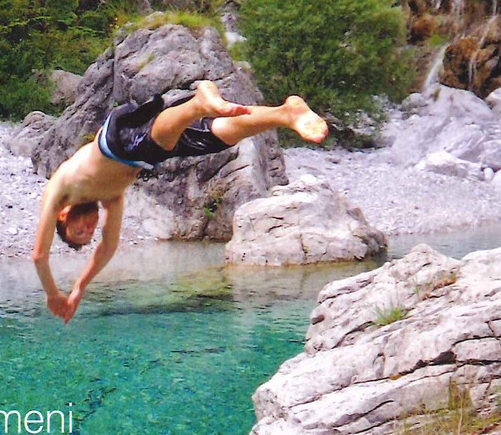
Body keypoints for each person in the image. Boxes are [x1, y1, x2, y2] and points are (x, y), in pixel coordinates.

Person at [32, 80, 328, 321]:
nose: (89, 227)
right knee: (216, 135)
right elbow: (108, 248)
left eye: (78, 230)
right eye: (88, 233)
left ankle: (198, 103)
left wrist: (52, 293)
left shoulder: (61, 187)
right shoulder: (111, 198)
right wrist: (79, 288)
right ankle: (286, 113)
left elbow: (39, 255)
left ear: (63, 216)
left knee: (151, 146)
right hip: (146, 146)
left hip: (117, 139)